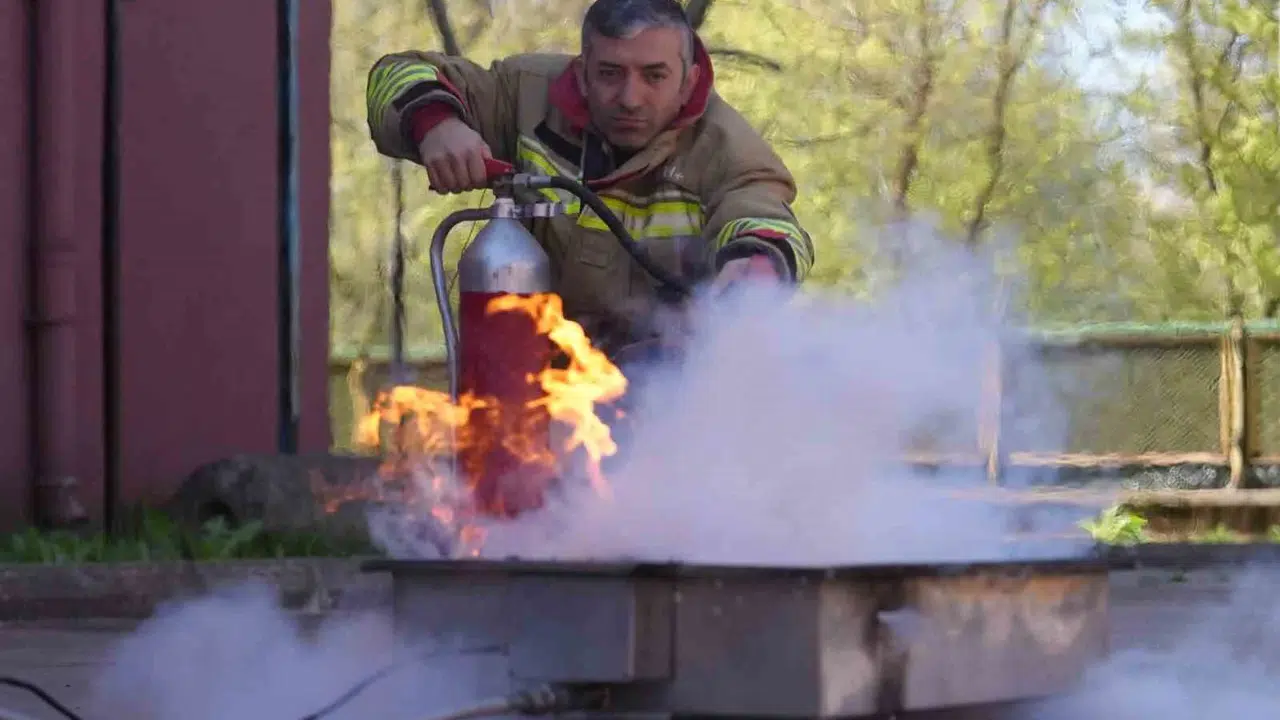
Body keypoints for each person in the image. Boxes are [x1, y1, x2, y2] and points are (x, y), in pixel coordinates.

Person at [365, 0, 816, 363]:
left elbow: (763, 215)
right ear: (581, 73)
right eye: (609, 74)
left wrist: (752, 269)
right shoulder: (523, 95)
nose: (629, 98)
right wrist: (436, 123)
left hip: (663, 408)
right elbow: (396, 72)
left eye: (654, 76)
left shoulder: (726, 149)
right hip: (522, 393)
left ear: (689, 80)